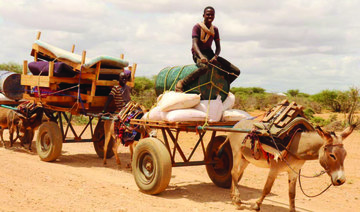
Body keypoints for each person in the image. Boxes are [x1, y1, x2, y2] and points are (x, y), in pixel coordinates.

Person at [176, 6, 240, 92]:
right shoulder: (197, 27)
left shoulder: (215, 29)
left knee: (236, 71)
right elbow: (195, 44)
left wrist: (215, 57)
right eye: (208, 15)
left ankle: (221, 87)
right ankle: (182, 83)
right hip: (198, 53)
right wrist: (201, 56)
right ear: (203, 15)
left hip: (210, 54)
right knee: (204, 68)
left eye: (212, 15)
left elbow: (218, 47)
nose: (210, 17)